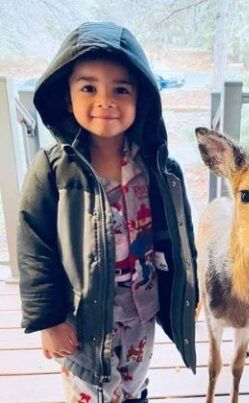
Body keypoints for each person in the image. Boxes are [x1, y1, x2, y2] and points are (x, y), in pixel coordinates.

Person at [17, 22, 198, 403]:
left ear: (142, 98)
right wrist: (48, 320)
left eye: (121, 89)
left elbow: (181, 236)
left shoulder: (159, 169)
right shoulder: (53, 170)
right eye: (88, 87)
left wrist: (188, 291)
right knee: (92, 391)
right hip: (82, 316)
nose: (105, 100)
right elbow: (35, 248)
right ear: (67, 98)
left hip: (141, 310)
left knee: (134, 387)